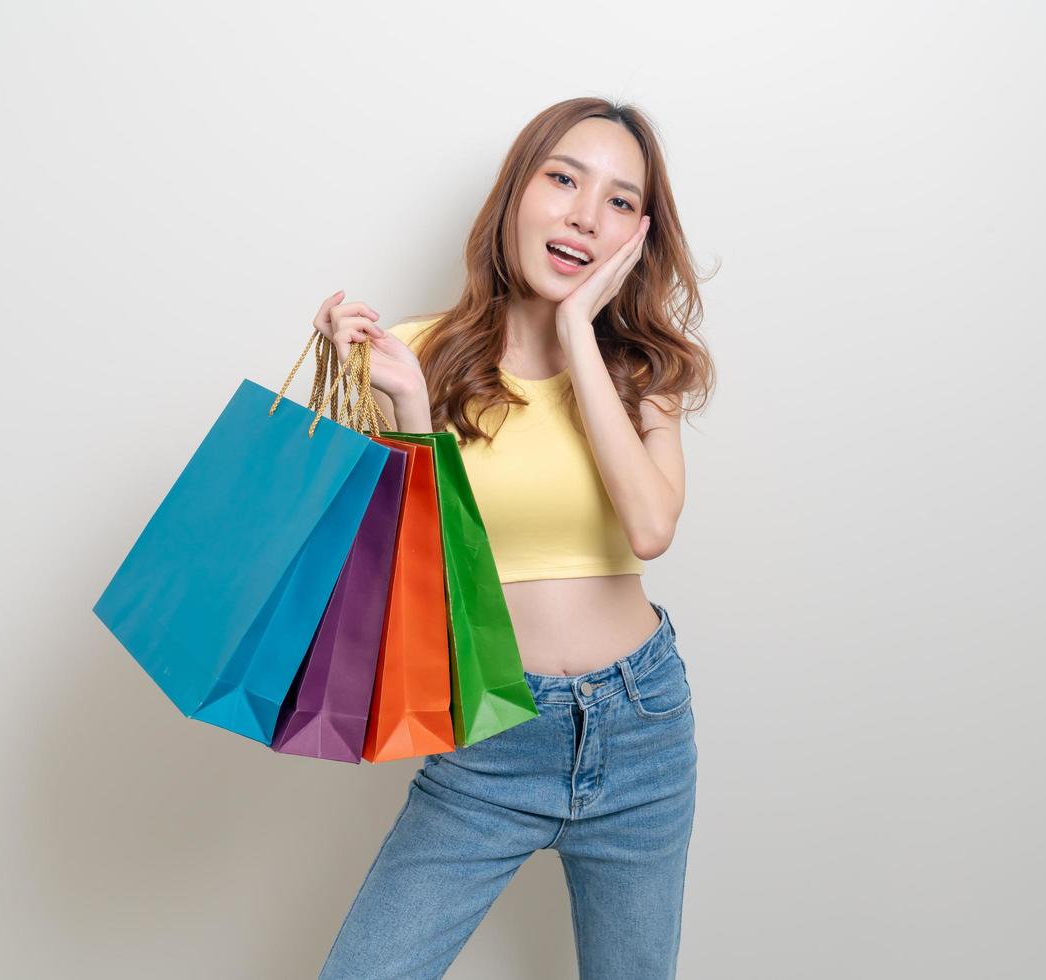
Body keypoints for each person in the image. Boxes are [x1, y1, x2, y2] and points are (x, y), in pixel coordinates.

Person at [312, 96, 716, 980]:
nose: (583, 213)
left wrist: (577, 332)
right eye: (563, 178)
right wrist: (408, 411)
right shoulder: (416, 355)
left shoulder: (644, 370)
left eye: (617, 200)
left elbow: (650, 527)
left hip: (643, 729)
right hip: (495, 736)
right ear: (516, 195)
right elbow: (411, 578)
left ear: (638, 236)